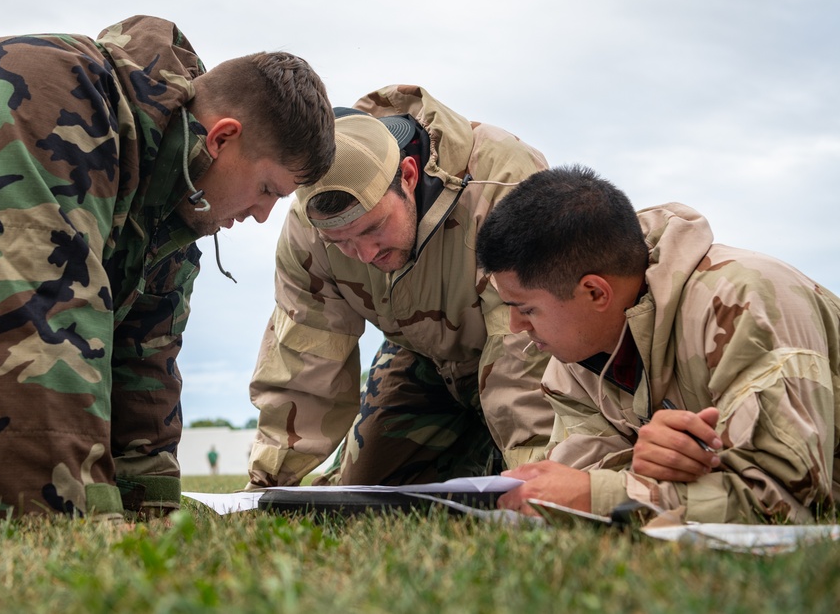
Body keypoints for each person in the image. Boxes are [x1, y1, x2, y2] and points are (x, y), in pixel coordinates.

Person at [0, 15, 334, 519]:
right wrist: (79, 523)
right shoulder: (49, 92)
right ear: (222, 139)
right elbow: (40, 311)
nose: (261, 215)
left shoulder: (173, 206)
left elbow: (144, 361)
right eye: (268, 189)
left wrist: (153, 513)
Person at [475, 165, 840, 523]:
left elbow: (786, 500)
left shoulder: (744, 305)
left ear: (594, 291)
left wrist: (600, 495)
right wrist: (638, 466)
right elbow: (576, 475)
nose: (516, 326)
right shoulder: (575, 359)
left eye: (526, 309)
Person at [248, 85, 556, 488]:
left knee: (520, 480)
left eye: (373, 228)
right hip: (424, 354)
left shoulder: (502, 181)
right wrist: (267, 485)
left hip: (527, 350)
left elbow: (525, 351)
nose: (363, 253)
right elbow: (304, 359)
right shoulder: (307, 231)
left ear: (409, 176)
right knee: (364, 490)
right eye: (340, 243)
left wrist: (534, 481)